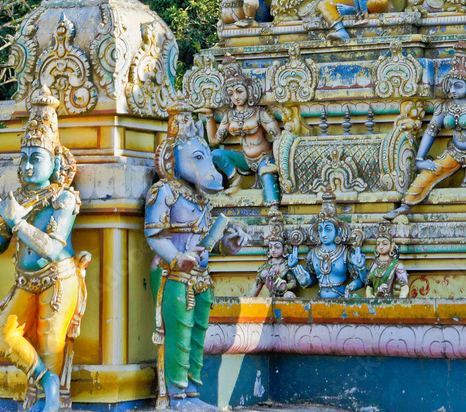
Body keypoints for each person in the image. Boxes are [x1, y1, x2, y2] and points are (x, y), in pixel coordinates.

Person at [0, 85, 88, 412]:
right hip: (24, 280)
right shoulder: (16, 199)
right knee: (4, 337)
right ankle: (46, 381)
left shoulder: (63, 198)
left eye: (36, 158)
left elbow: (52, 247)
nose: (27, 166)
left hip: (58, 278)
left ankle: (51, 401)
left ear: (55, 162)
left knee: (51, 343)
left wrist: (19, 223)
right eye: (23, 158)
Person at [146, 103, 239, 410]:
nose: (206, 166)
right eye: (197, 158)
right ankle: (176, 396)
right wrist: (178, 257)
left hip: (201, 277)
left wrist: (228, 242)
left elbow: (208, 239)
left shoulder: (200, 197)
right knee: (179, 333)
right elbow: (155, 235)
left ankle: (192, 394)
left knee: (198, 334)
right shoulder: (165, 192)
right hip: (174, 274)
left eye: (206, 157)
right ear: (172, 159)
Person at [383, 43, 466, 219]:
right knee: (429, 172)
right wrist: (419, 160)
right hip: (453, 151)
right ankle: (405, 205)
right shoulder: (444, 107)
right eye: (451, 86)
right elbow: (430, 132)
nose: (453, 90)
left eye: (458, 86)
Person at [203, 65, 281, 206]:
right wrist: (209, 116)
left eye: (239, 91)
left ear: (248, 90)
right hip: (245, 159)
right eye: (231, 94)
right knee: (216, 154)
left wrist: (278, 164)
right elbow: (214, 141)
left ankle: (274, 210)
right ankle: (236, 180)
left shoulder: (260, 113)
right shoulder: (229, 116)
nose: (236, 97)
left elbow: (278, 138)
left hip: (264, 157)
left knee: (266, 175)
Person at [288, 192, 367, 298]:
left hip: (340, 299)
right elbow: (312, 280)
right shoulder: (313, 254)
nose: (324, 234)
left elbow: (363, 280)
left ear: (338, 231)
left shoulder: (345, 253)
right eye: (320, 230)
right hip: (319, 299)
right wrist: (304, 280)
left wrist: (360, 271)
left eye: (328, 229)